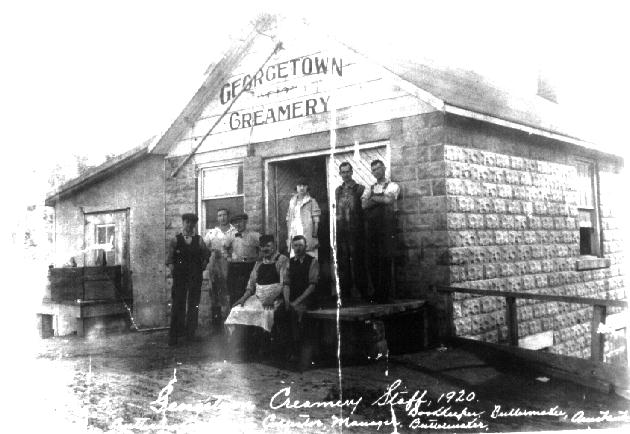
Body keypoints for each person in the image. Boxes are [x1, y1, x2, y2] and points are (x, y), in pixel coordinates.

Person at [224, 235, 289, 359]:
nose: (265, 249)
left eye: (268, 246)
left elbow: (284, 283)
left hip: (276, 298)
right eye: (263, 247)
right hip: (258, 297)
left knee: (267, 314)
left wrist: (273, 298)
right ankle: (242, 347)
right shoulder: (259, 262)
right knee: (238, 310)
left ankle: (266, 348)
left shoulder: (282, 260)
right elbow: (251, 283)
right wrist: (243, 298)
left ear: (274, 246)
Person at [166, 213, 210, 346]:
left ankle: (191, 333)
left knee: (193, 304)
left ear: (195, 224)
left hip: (194, 276)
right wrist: (174, 271)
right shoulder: (175, 239)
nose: (189, 225)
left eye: (192, 222)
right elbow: (169, 260)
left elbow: (206, 255)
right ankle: (174, 335)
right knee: (178, 304)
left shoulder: (199, 240)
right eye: (187, 222)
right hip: (180, 277)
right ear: (183, 223)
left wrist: (202, 266)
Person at [363, 160, 400, 303]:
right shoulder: (370, 187)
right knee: (372, 261)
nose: (376, 171)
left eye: (378, 168)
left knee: (385, 260)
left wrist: (373, 199)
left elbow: (388, 201)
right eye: (373, 170)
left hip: (386, 229)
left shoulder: (393, 185)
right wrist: (378, 199)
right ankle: (376, 293)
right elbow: (363, 204)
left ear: (384, 169)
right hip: (372, 229)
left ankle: (385, 294)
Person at [280, 235, 319, 364]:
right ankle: (286, 349)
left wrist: (296, 302)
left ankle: (299, 352)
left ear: (305, 247)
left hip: (308, 298)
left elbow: (312, 286)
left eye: (300, 245)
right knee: (281, 312)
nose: (297, 248)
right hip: (292, 298)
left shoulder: (312, 261)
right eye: (295, 245)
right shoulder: (289, 262)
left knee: (296, 314)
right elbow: (286, 283)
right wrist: (286, 300)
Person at [334, 162, 369, 300]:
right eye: (343, 172)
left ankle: (363, 292)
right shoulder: (338, 191)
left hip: (356, 232)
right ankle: (346, 293)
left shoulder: (360, 189)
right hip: (342, 233)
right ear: (340, 174)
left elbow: (364, 211)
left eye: (347, 171)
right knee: (343, 263)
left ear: (352, 172)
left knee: (358, 262)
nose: (345, 174)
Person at [203, 208, 236, 333]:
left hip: (230, 266)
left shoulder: (234, 231)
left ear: (228, 216)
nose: (222, 218)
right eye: (219, 215)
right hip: (215, 267)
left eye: (224, 215)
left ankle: (231, 326)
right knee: (215, 296)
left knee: (228, 294)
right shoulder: (212, 233)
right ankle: (216, 328)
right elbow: (204, 249)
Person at [224, 213, 261, 310]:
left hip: (249, 267)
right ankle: (234, 317)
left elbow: (265, 246)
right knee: (234, 293)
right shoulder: (230, 236)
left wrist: (258, 259)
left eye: (240, 221)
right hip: (235, 267)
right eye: (235, 223)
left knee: (249, 292)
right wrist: (227, 257)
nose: (238, 225)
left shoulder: (254, 235)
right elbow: (224, 248)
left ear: (245, 221)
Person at [286, 178, 321, 259]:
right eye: (299, 185)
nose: (302, 188)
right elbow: (288, 219)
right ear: (296, 187)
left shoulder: (312, 201)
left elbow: (316, 221)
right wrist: (289, 235)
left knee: (309, 259)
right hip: (295, 233)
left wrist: (314, 236)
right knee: (295, 259)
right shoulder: (292, 202)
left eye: (304, 185)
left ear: (307, 187)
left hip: (307, 234)